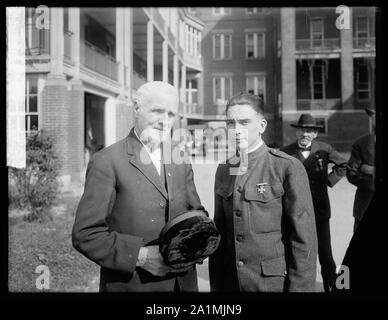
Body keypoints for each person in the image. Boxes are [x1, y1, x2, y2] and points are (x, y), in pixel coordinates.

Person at [72, 81, 206, 292]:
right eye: (157, 111)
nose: (165, 121)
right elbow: (86, 235)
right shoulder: (107, 161)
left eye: (171, 114)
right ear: (136, 109)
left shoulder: (179, 158)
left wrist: (199, 241)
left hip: (184, 284)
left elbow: (195, 212)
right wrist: (141, 257)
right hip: (133, 286)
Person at [209, 92, 318, 292]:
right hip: (231, 282)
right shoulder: (225, 169)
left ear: (261, 126)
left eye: (244, 122)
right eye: (231, 123)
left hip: (270, 283)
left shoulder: (285, 167)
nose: (236, 130)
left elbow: (304, 240)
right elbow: (220, 236)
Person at [280, 113, 347, 292]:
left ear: (315, 134)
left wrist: (329, 181)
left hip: (319, 210)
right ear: (296, 132)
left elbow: (343, 165)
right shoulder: (285, 152)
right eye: (302, 130)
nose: (305, 134)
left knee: (325, 253)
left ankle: (331, 287)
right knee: (293, 252)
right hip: (293, 212)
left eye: (309, 131)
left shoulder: (324, 149)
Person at [346, 107, 376, 233]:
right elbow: (351, 173)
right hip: (364, 206)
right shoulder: (361, 144)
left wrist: (370, 170)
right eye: (374, 117)